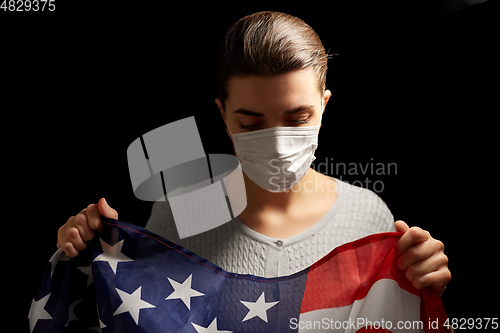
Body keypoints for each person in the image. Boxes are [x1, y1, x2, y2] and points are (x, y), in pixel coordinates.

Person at [57, 11, 450, 294]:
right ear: (223, 115)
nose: (277, 144)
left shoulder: (367, 218)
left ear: (324, 107)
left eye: (297, 119)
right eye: (251, 124)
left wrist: (421, 288)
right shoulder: (179, 217)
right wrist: (83, 252)